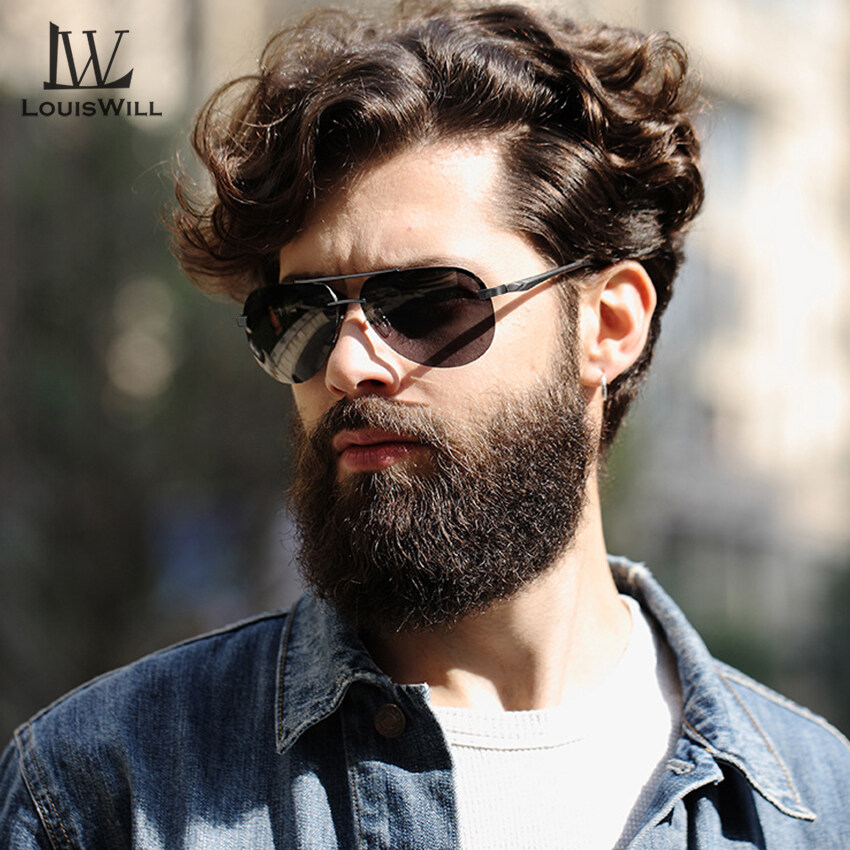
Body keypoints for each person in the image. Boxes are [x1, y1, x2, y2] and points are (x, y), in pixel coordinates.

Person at [2, 3, 849, 848]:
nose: (348, 364)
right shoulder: (103, 792)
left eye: (428, 304)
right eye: (301, 318)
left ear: (609, 326)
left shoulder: (817, 806)